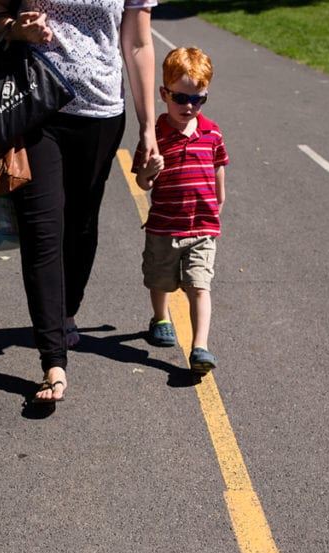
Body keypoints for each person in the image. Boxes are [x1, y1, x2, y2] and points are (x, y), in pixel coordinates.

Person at [0, 0, 159, 403]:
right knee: (43, 230)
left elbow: (139, 44)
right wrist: (14, 27)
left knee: (81, 223)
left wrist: (148, 129)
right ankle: (52, 358)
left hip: (101, 112)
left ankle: (66, 309)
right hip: (35, 106)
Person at [134, 46, 228, 374]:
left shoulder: (212, 132)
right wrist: (150, 169)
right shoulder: (155, 135)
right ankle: (161, 318)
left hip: (202, 228)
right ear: (164, 93)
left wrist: (218, 202)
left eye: (198, 99)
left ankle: (200, 347)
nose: (189, 106)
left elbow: (218, 169)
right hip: (164, 226)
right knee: (159, 279)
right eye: (181, 98)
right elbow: (143, 183)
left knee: (199, 285)